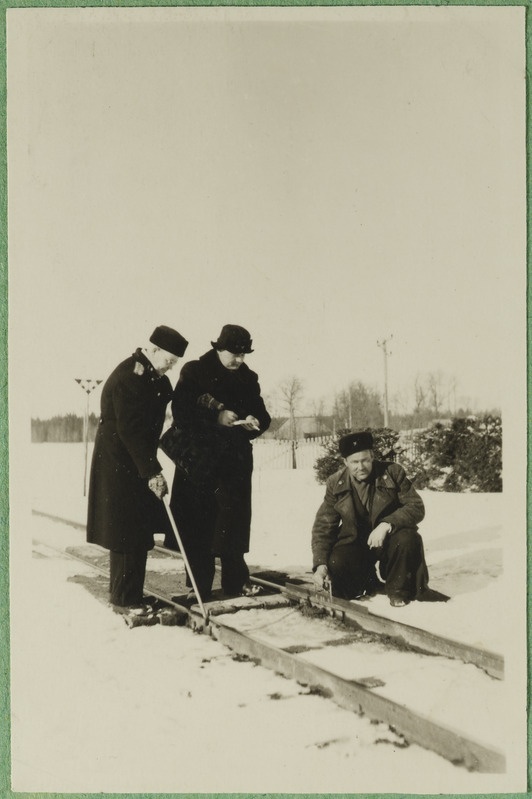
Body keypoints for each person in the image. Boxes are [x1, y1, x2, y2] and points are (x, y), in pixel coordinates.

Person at [87, 325, 188, 620]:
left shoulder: (152, 376)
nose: (171, 365)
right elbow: (130, 431)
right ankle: (123, 600)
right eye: (169, 359)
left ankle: (131, 594)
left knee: (136, 531)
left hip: (135, 462)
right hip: (120, 464)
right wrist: (152, 472)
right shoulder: (131, 376)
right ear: (153, 350)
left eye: (175, 362)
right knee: (124, 533)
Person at [163, 324, 271, 599]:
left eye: (244, 354)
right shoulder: (195, 371)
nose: (239, 360)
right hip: (199, 462)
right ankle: (198, 587)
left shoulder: (249, 377)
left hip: (234, 463)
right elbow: (182, 412)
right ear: (219, 348)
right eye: (234, 353)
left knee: (233, 524)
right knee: (199, 525)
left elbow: (262, 413)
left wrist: (256, 422)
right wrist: (217, 418)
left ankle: (237, 582)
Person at [311, 431, 430, 607]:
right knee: (338, 568)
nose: (361, 467)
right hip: (355, 543)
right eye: (355, 462)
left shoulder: (392, 473)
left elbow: (416, 507)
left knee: (407, 538)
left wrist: (387, 524)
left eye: (365, 460)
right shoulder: (335, 483)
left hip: (389, 540)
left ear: (372, 456)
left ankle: (399, 591)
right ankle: (364, 582)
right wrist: (320, 564)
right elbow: (324, 526)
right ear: (345, 462)